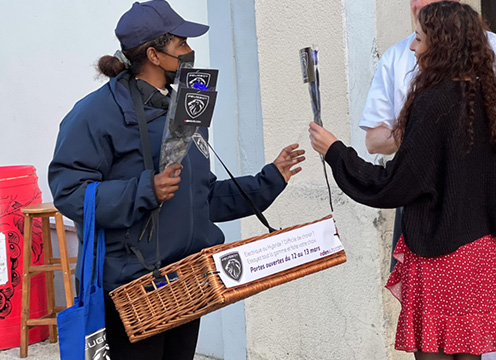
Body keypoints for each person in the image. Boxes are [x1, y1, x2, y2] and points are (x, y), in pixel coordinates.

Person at [48, 1, 305, 359]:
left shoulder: (186, 107)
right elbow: (69, 192)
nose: (189, 53)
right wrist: (145, 190)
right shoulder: (94, 114)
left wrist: (270, 179)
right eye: (181, 45)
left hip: (185, 281)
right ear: (153, 54)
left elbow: (203, 198)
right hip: (132, 289)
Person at [309, 2, 496, 359]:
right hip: (479, 255)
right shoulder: (492, 100)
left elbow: (395, 184)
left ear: (442, 45)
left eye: (420, 39)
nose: (412, 47)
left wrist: (335, 152)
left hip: (439, 256)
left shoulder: (432, 103)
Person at [362, 0, 496, 254]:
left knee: (477, 290)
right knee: (422, 291)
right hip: (419, 203)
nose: (417, 4)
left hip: (479, 203)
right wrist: (424, 127)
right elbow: (373, 142)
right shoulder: (396, 56)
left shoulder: (493, 47)